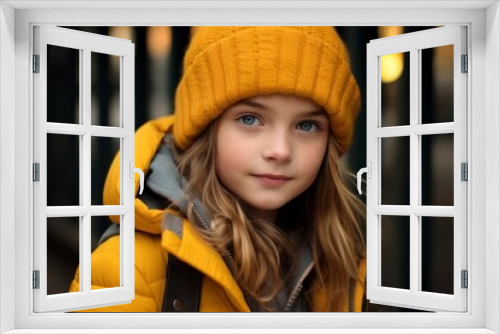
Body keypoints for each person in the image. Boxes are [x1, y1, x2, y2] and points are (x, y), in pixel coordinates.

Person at [69, 26, 367, 312]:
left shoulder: (342, 261)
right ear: (207, 131)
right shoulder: (129, 268)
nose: (280, 150)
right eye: (250, 119)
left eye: (306, 125)